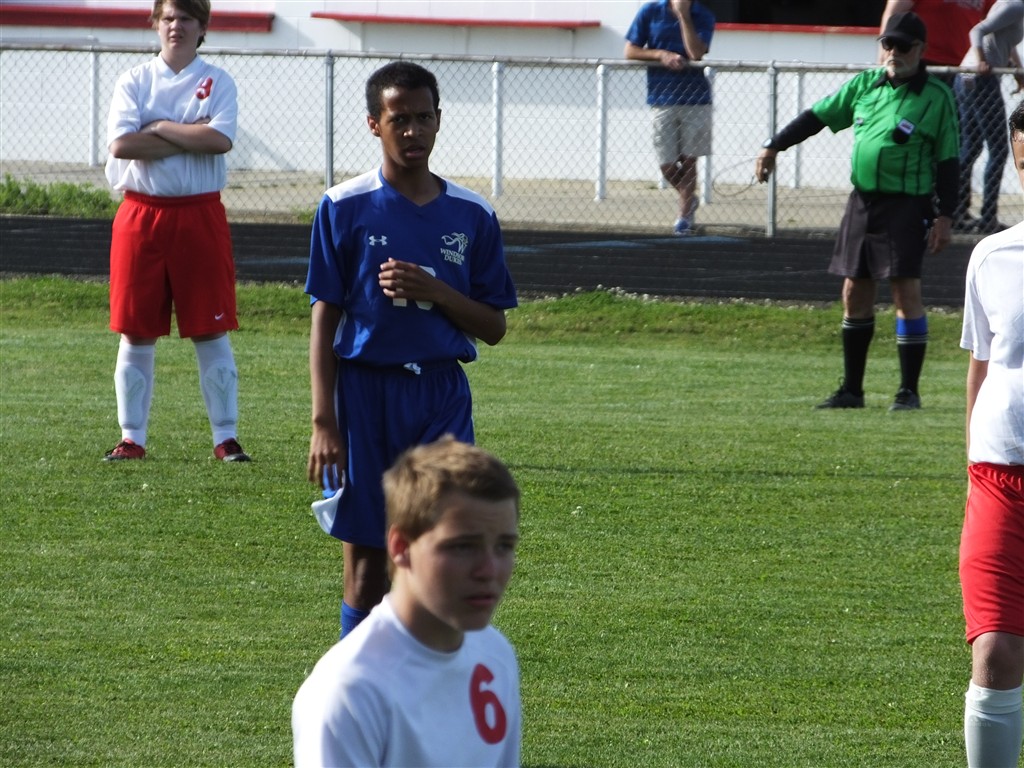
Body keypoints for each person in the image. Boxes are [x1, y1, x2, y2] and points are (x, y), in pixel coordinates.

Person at [305, 61, 518, 638]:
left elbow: (494, 327)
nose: (413, 131)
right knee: (368, 566)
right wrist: (324, 421)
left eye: (424, 118)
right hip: (365, 395)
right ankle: (359, 677)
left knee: (443, 547)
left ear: (439, 120)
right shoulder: (343, 206)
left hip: (441, 395)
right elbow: (324, 321)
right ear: (374, 124)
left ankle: (432, 671)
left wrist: (437, 291)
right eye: (399, 119)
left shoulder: (472, 214)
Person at [755, 11, 960, 412]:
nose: (893, 52)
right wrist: (773, 145)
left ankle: (908, 391)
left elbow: (949, 160)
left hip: (908, 204)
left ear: (920, 50)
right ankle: (852, 391)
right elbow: (817, 117)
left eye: (902, 46)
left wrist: (946, 215)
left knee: (905, 292)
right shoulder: (865, 85)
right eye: (888, 44)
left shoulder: (937, 97)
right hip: (863, 203)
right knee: (854, 291)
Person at [292, 436, 522, 768]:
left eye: (504, 546)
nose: (489, 570)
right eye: (463, 547)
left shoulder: (495, 655)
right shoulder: (349, 691)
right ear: (401, 547)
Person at [102, 0, 249, 463]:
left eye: (186, 18)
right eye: (167, 18)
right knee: (136, 331)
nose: (175, 26)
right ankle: (132, 438)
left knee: (211, 329)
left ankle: (226, 438)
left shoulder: (218, 81)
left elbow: (219, 140)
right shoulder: (134, 80)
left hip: (199, 215)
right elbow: (123, 145)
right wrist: (189, 134)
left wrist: (160, 127)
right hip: (141, 215)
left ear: (202, 26)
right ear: (155, 23)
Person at [958, 98, 1024, 768]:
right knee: (997, 652)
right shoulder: (993, 256)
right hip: (999, 479)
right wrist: (971, 467)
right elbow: (981, 366)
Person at [625, 0, 715, 236]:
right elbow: (630, 50)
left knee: (689, 160)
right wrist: (660, 55)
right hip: (661, 96)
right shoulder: (650, 11)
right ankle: (690, 199)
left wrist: (683, 16)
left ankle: (683, 217)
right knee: (666, 163)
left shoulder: (702, 15)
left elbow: (696, 53)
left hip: (696, 98)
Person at [953, 0, 1024, 235]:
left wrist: (1017, 71)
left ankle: (956, 213)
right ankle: (987, 218)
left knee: (970, 147)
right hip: (980, 79)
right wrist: (981, 60)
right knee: (999, 150)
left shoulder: (1011, 5)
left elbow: (1003, 41)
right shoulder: (1015, 6)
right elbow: (978, 30)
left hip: (967, 78)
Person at [878, 0, 992, 72]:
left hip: (964, 67)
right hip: (922, 63)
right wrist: (884, 53)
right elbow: (892, 15)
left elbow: (993, 22)